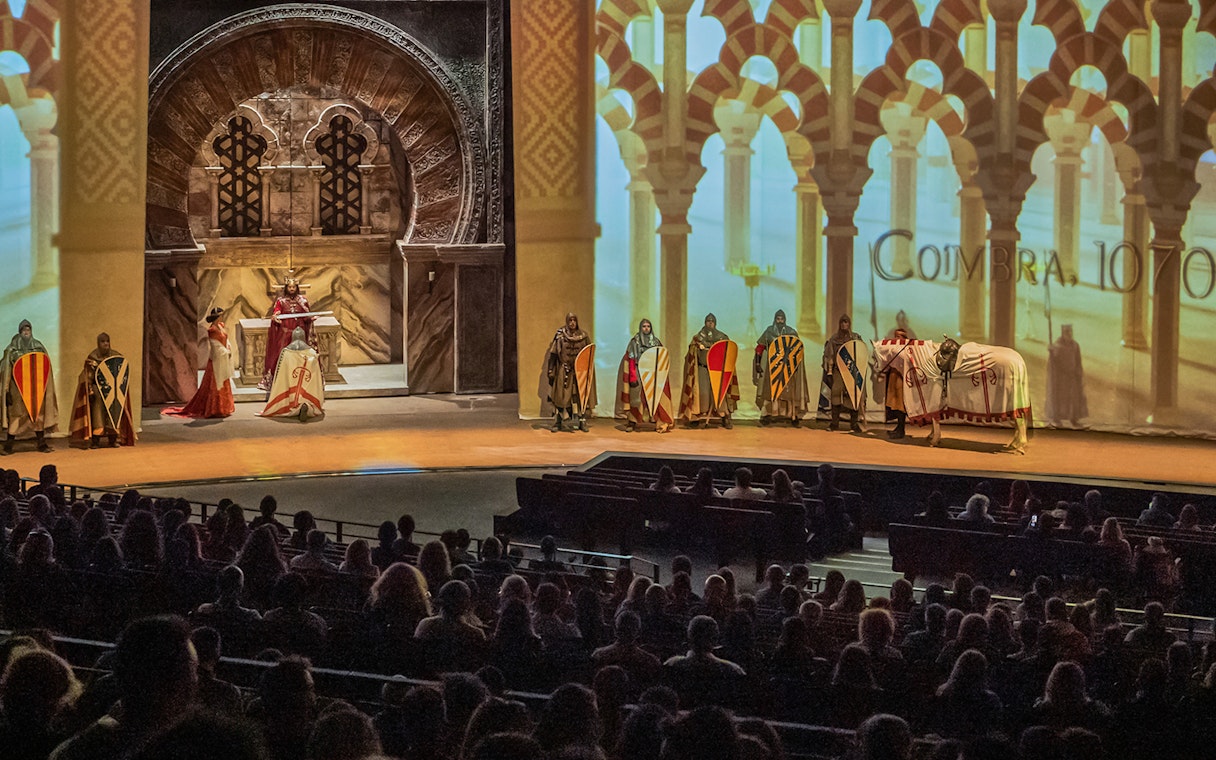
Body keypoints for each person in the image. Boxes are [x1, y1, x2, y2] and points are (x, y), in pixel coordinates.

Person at [164, 307, 235, 419]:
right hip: (216, 361)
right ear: (217, 317)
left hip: (223, 360)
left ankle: (223, 408)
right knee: (214, 384)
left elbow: (225, 340)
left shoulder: (221, 326)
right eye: (220, 315)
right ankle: (214, 408)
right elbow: (215, 346)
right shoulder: (212, 330)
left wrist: (228, 348)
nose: (222, 317)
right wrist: (225, 351)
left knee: (223, 383)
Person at [68, 332, 136, 448]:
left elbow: (121, 374)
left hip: (113, 391)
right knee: (97, 414)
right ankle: (96, 441)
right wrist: (90, 390)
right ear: (98, 343)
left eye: (107, 341)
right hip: (98, 390)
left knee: (114, 414)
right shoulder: (93, 357)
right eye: (103, 341)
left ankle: (113, 439)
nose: (105, 344)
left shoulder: (115, 356)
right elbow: (88, 375)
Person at [0, 319, 58, 454]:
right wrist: (7, 389)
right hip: (17, 388)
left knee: (38, 415)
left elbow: (45, 368)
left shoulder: (38, 347)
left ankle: (41, 443)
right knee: (15, 415)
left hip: (36, 388)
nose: (26, 332)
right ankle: (9, 445)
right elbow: (6, 370)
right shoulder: (12, 349)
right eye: (23, 330)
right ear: (19, 332)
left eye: (28, 329)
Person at [679, 313, 738, 429]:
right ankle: (696, 417)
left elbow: (728, 352)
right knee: (702, 393)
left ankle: (724, 416)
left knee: (721, 394)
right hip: (703, 368)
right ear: (705, 322)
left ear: (715, 323)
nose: (710, 323)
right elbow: (691, 353)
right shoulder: (697, 338)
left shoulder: (722, 337)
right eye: (708, 321)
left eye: (712, 321)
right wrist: (696, 347)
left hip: (718, 370)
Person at [539, 312, 594, 432]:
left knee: (580, 397)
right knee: (561, 397)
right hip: (564, 370)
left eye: (574, 320)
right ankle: (558, 421)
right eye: (570, 320)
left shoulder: (583, 336)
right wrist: (550, 370)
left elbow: (588, 354)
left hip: (580, 372)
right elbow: (553, 354)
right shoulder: (561, 337)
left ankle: (582, 420)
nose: (572, 323)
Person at [615, 318, 673, 433]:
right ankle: (632, 421)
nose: (646, 328)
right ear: (640, 328)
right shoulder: (634, 342)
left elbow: (661, 359)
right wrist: (632, 376)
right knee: (636, 397)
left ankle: (658, 421)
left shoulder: (656, 342)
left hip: (652, 372)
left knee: (655, 397)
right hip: (638, 371)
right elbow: (631, 360)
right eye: (644, 326)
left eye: (648, 326)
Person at [753, 309, 809, 426]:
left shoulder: (791, 332)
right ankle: (767, 415)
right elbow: (760, 347)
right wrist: (758, 364)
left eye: (781, 319)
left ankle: (792, 416)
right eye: (778, 319)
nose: (780, 321)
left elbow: (797, 349)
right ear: (775, 319)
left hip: (787, 367)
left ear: (785, 320)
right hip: (772, 368)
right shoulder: (769, 331)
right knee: (770, 392)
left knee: (788, 393)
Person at [260, 277, 317, 390]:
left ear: (296, 288)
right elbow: (277, 312)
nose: (291, 289)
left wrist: (310, 318)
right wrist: (276, 317)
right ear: (286, 288)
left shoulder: (303, 300)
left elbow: (306, 316)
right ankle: (282, 379)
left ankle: (301, 378)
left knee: (300, 355)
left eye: (293, 287)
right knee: (283, 355)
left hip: (300, 333)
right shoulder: (281, 301)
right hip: (285, 333)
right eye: (290, 287)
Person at [258, 327, 324, 420]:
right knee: (307, 387)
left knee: (289, 386)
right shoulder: (311, 353)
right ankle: (305, 404)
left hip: (290, 383)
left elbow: (281, 373)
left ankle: (290, 404)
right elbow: (315, 375)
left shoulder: (286, 352)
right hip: (306, 382)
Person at [823, 313, 863, 432]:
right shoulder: (834, 339)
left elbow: (861, 353)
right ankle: (834, 423)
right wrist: (829, 371)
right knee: (835, 393)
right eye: (842, 322)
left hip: (852, 371)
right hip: (838, 370)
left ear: (849, 324)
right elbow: (829, 355)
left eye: (846, 322)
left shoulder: (855, 338)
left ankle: (854, 424)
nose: (844, 324)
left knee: (853, 395)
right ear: (840, 324)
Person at [1046, 323, 1086, 426]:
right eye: (1067, 332)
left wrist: (1079, 373)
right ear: (1063, 333)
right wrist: (1052, 354)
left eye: (1070, 332)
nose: (1069, 334)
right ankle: (1057, 418)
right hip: (1062, 380)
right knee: (1061, 399)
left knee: (1074, 400)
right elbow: (1053, 363)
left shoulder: (1075, 345)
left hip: (1072, 377)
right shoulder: (1057, 347)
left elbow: (1078, 360)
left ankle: (1074, 419)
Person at [878, 326, 909, 439]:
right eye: (895, 336)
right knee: (894, 403)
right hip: (893, 376)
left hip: (901, 377)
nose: (896, 338)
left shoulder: (906, 348)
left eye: (899, 336)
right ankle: (898, 427)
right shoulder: (893, 348)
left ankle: (901, 429)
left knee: (901, 404)